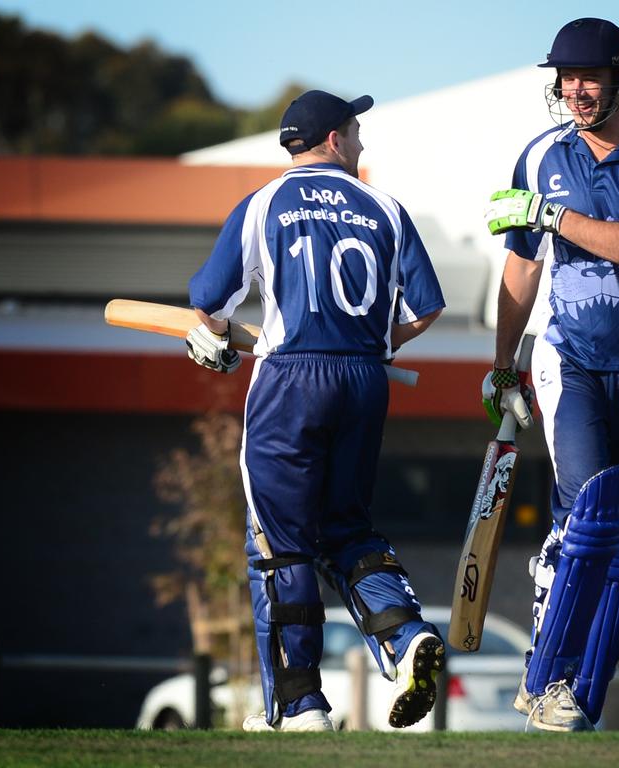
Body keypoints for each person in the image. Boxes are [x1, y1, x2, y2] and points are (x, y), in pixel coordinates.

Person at [185, 89, 447, 732]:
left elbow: (211, 302)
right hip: (364, 380)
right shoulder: (385, 206)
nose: (361, 142)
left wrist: (211, 340)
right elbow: (427, 307)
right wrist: (376, 344)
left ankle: (300, 705)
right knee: (347, 528)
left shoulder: (263, 204)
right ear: (333, 138)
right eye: (355, 131)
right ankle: (404, 633)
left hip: (289, 380)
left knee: (281, 543)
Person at [481, 18, 619, 732]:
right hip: (570, 361)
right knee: (593, 517)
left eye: (590, 77)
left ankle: (581, 700)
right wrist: (502, 365)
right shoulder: (540, 155)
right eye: (566, 78)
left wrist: (554, 214)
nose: (575, 90)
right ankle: (543, 680)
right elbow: (522, 266)